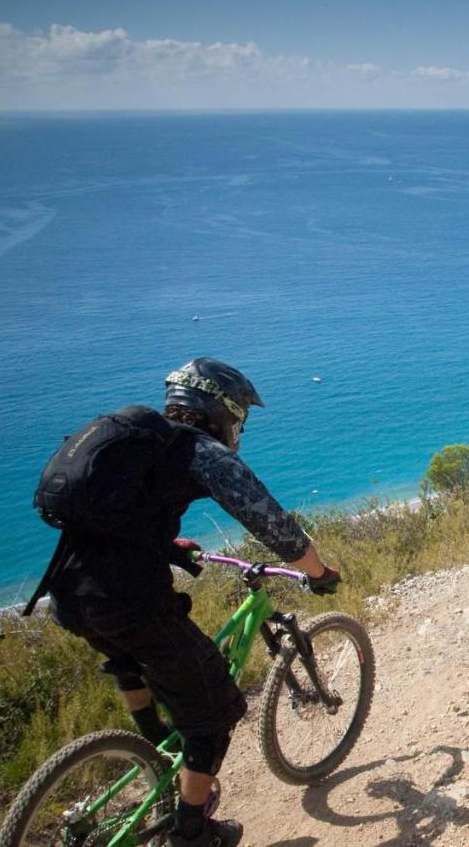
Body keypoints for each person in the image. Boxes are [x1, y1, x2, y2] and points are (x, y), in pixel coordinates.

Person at [43, 358, 341, 847]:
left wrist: (161, 544)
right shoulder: (200, 451)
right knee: (215, 712)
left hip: (68, 589)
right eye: (239, 414)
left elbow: (114, 518)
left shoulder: (140, 442)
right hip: (129, 601)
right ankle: (194, 832)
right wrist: (318, 571)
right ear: (222, 410)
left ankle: (153, 745)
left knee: (129, 658)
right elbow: (271, 523)